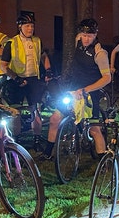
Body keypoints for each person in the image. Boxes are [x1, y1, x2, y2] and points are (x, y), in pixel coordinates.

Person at [39, 18, 111, 160]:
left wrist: (86, 90)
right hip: (73, 91)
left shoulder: (99, 53)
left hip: (89, 93)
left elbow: (107, 78)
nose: (86, 39)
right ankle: (47, 153)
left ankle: (104, 162)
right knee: (55, 119)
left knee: (94, 129)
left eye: (90, 36)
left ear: (95, 35)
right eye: (84, 35)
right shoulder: (78, 39)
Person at [1, 13, 51, 148]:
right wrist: (15, 78)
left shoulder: (37, 41)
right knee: (15, 112)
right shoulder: (11, 43)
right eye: (27, 26)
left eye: (32, 26)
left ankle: (36, 140)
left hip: (33, 79)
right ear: (20, 27)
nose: (30, 29)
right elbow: (3, 65)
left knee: (35, 110)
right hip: (16, 80)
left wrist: (48, 70)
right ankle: (15, 140)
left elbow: (43, 56)